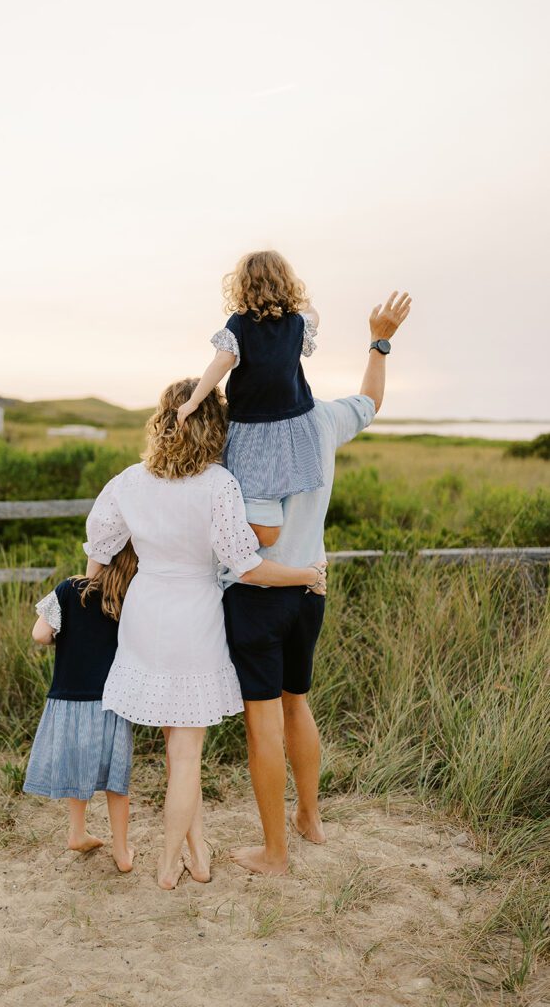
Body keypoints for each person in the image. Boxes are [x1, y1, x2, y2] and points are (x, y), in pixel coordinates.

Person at [82, 380, 326, 890]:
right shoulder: (219, 485)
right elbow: (249, 567)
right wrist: (305, 575)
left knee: (176, 743)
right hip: (193, 615)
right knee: (185, 752)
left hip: (147, 612)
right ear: (217, 427)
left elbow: (99, 553)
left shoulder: (128, 480)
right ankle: (169, 864)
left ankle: (198, 851)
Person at [223, 290, 412, 875]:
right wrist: (380, 340)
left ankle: (274, 853)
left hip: (257, 593)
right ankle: (310, 818)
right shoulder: (326, 419)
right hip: (311, 592)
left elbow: (251, 528)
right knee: (297, 703)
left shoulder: (241, 432)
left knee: (263, 722)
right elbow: (372, 400)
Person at [177, 250, 322, 548]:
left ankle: (250, 546)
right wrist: (303, 299)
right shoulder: (296, 322)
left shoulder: (241, 323)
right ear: (285, 283)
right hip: (290, 421)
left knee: (249, 493)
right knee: (275, 492)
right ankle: (261, 542)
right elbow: (314, 316)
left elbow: (220, 362)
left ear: (243, 286)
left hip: (252, 425)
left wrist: (193, 401)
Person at [23, 543, 138, 873]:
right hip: (111, 701)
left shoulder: (69, 590)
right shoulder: (129, 597)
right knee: (116, 781)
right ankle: (121, 851)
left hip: (69, 698)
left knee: (78, 770)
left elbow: (40, 635)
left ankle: (76, 832)